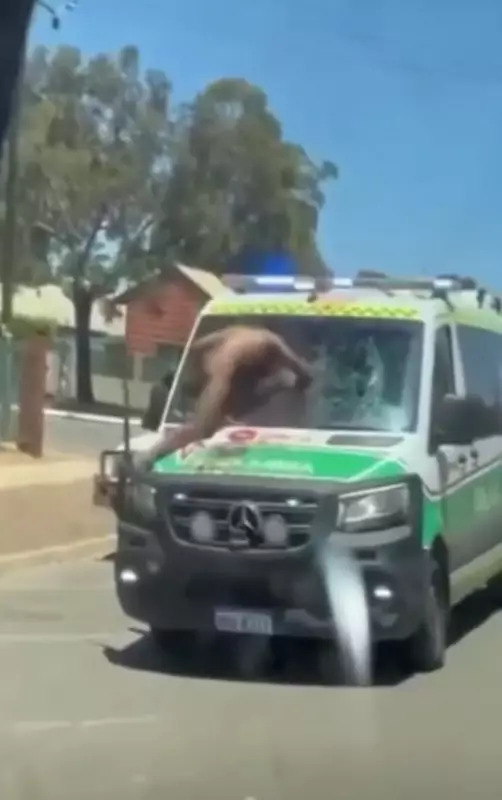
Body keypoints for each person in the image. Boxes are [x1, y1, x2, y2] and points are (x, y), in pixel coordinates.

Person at [139, 325, 313, 467]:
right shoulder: (229, 360)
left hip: (222, 360)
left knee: (275, 385)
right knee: (201, 427)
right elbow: (302, 372)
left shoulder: (241, 338)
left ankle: (151, 455)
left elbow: (199, 344)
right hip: (221, 368)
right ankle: (149, 457)